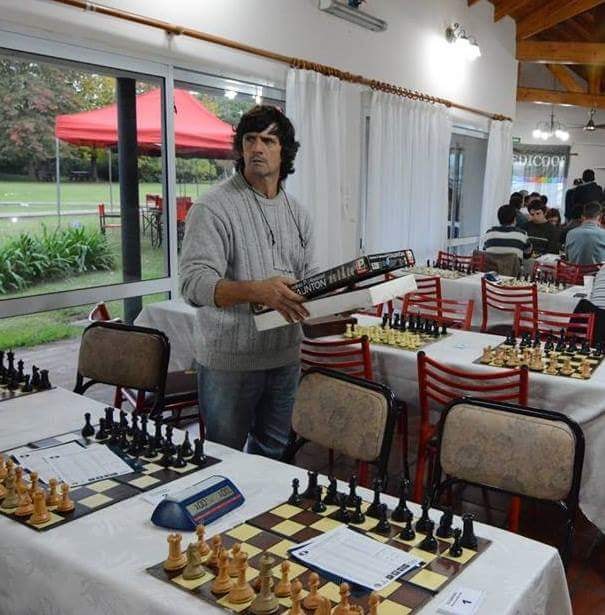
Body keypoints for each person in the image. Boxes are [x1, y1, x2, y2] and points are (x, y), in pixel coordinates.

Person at [179, 105, 317, 459]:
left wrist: (346, 294)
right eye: (250, 139)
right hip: (229, 363)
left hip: (285, 357)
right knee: (223, 458)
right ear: (240, 148)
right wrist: (257, 291)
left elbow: (308, 277)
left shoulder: (299, 214)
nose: (257, 148)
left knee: (274, 455)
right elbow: (194, 283)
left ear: (284, 151)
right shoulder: (212, 208)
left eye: (268, 141)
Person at [565, 201, 605, 265]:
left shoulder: (570, 234)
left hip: (575, 271)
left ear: (583, 217)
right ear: (599, 217)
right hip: (598, 271)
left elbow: (567, 258)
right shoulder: (603, 234)